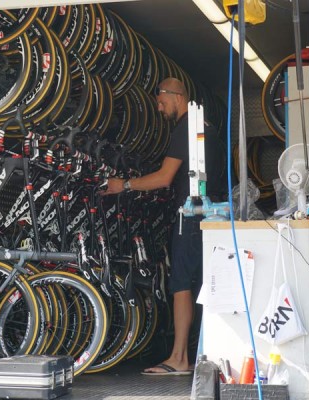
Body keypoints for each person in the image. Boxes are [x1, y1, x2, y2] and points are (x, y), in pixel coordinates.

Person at [103, 77, 203, 375]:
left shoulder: (183, 128)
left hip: (191, 214)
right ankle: (194, 354)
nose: (159, 109)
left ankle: (179, 358)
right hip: (209, 215)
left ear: (175, 96)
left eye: (160, 102)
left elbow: (164, 177)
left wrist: (125, 185)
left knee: (181, 284)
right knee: (198, 284)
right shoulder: (203, 127)